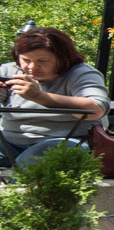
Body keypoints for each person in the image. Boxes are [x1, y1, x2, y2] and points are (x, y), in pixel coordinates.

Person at [0, 28, 107, 168]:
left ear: (62, 58)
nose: (32, 67)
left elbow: (96, 108)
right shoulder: (9, 70)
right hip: (8, 143)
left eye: (43, 61)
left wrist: (40, 96)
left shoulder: (81, 74)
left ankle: (17, 188)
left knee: (36, 159)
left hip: (64, 140)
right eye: (25, 60)